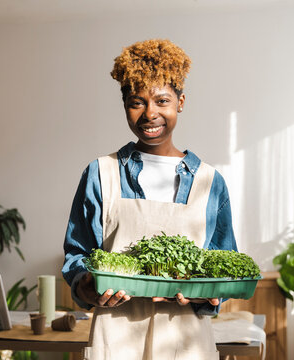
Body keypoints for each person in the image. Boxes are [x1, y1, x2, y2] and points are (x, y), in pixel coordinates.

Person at [62, 39, 237, 360]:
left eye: (162, 100)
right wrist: (89, 289)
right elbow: (77, 256)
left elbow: (222, 265)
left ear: (180, 102)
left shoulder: (210, 182)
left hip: (186, 344)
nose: (150, 113)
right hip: (115, 339)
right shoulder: (101, 173)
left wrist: (207, 296)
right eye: (136, 101)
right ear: (125, 105)